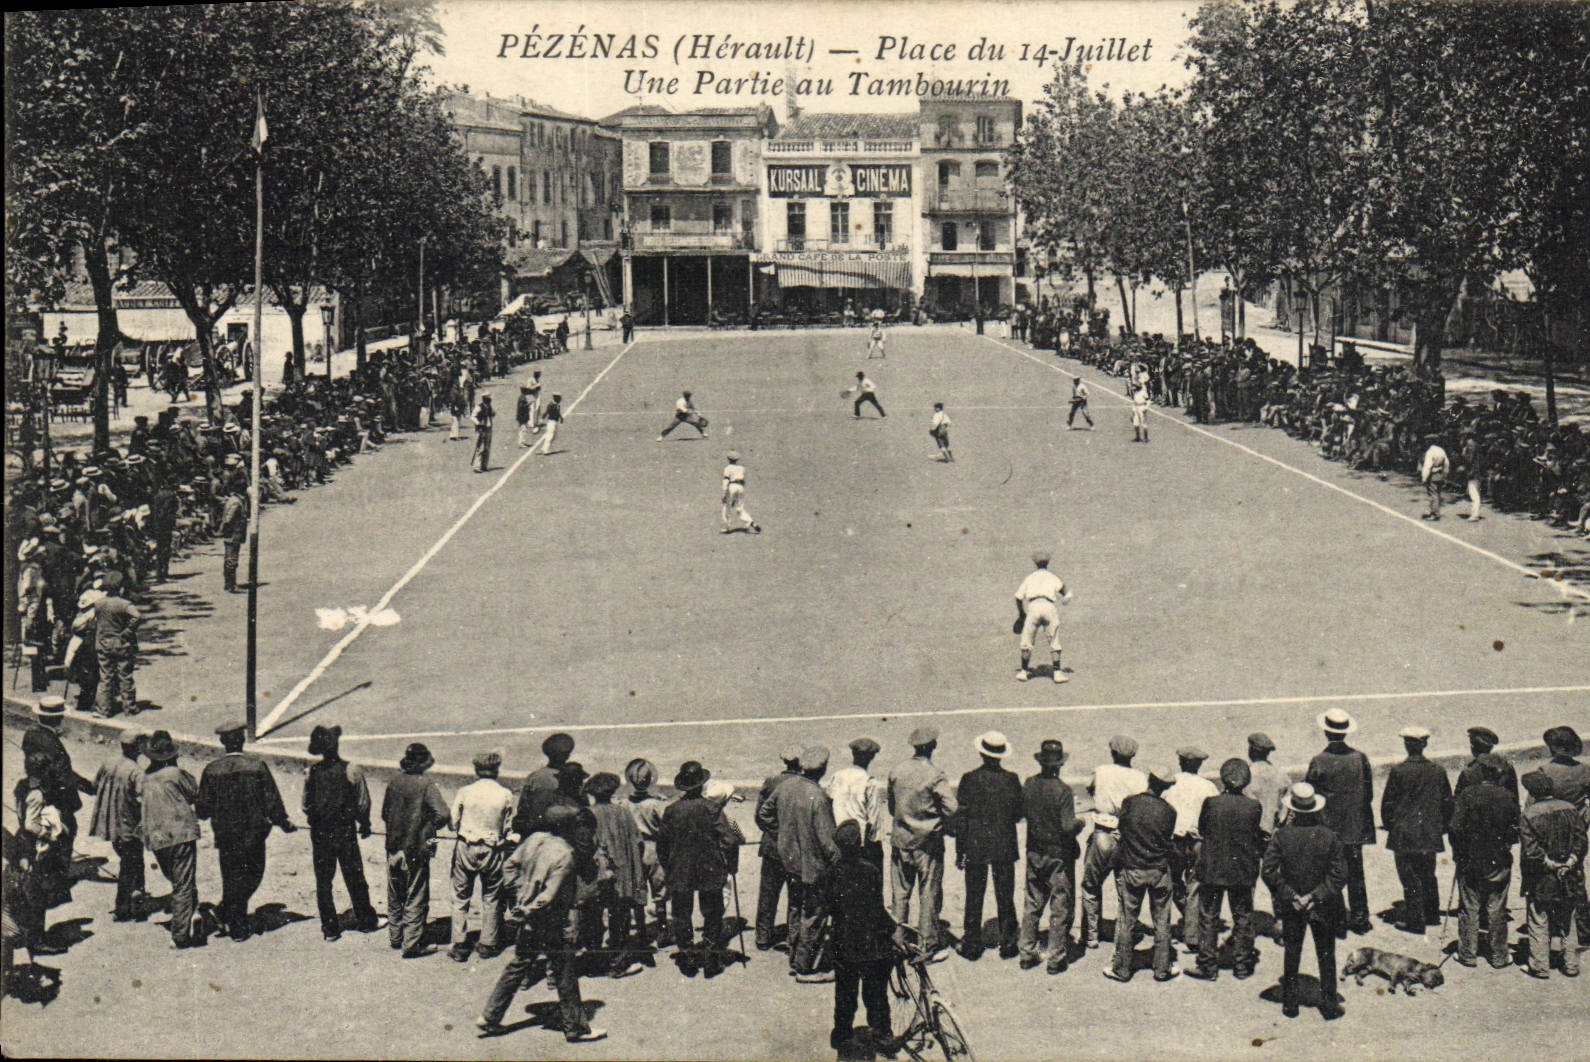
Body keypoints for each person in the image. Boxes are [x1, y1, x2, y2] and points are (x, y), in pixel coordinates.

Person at [478, 806, 607, 1042]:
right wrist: (530, 906)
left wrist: (520, 893)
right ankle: (575, 1028)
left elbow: (509, 866)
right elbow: (550, 894)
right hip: (554, 922)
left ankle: (490, 1016)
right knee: (565, 973)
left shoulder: (534, 839)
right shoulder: (565, 854)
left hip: (530, 920)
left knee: (519, 965)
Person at [196, 720, 295, 941]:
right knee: (253, 876)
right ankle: (237, 926)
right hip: (254, 834)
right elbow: (272, 801)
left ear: (223, 742)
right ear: (241, 741)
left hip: (225, 835)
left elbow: (202, 808)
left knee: (231, 877)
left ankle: (225, 914)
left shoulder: (211, 770)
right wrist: (284, 822)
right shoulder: (257, 766)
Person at [1262, 783, 1347, 1019]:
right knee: (1326, 954)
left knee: (1292, 952)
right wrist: (1316, 896)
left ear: (1293, 811)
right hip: (1323, 905)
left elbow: (1268, 871)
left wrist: (1290, 895)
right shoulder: (1329, 836)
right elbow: (1340, 874)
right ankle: (1329, 1003)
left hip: (1292, 905)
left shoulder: (1282, 836)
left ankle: (1290, 1003)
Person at [658, 761, 738, 976]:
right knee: (712, 912)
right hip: (709, 868)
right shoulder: (712, 808)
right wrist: (730, 864)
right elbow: (729, 839)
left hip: (680, 869)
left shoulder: (672, 810)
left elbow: (662, 843)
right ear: (701, 785)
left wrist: (668, 865)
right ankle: (711, 955)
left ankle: (687, 956)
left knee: (681, 913)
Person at [1188, 759, 1265, 981]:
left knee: (1208, 917)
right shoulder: (1254, 806)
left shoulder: (1211, 803)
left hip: (1213, 869)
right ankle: (1241, 966)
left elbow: (1203, 829)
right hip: (1242, 870)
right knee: (1242, 918)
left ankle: (1207, 966)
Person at [302, 725, 379, 942]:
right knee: (354, 876)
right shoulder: (351, 769)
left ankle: (329, 928)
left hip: (320, 833)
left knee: (324, 880)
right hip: (344, 832)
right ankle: (365, 920)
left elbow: (306, 805)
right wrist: (364, 823)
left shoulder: (311, 772)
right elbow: (363, 802)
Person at [1104, 764, 1179, 983]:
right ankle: (1162, 968)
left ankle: (1122, 968)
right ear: (1165, 787)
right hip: (1159, 870)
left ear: (1149, 780)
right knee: (1162, 921)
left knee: (1127, 919)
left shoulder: (1130, 803)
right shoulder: (1169, 811)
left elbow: (1123, 830)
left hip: (1133, 867)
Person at [887, 727, 956, 961]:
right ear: (933, 747)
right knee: (928, 893)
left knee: (900, 894)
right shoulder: (935, 775)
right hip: (927, 844)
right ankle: (927, 945)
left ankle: (898, 941)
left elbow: (891, 806)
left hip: (901, 840)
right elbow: (951, 808)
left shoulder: (897, 771)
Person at [955, 731, 1024, 960]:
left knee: (974, 896)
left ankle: (972, 944)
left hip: (975, 844)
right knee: (1005, 895)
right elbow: (1017, 814)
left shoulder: (969, 779)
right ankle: (1008, 943)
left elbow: (962, 818)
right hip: (1003, 844)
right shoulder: (1011, 779)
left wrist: (960, 849)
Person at [827, 820, 894, 1056]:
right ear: (859, 844)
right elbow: (878, 909)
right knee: (875, 993)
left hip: (843, 943)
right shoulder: (870, 871)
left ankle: (842, 1033)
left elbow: (828, 906)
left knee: (845, 993)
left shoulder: (833, 872)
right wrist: (893, 929)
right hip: (870, 944)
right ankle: (883, 1034)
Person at [1305, 708, 1374, 934]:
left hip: (1328, 828)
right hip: (1354, 828)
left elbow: (1310, 795)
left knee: (1331, 875)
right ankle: (1361, 919)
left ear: (1326, 732)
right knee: (1356, 875)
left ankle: (1336, 921)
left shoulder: (1319, 761)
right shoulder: (1359, 758)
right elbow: (1368, 794)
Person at [1381, 725, 1454, 934]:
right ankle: (1431, 915)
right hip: (1429, 833)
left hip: (1404, 834)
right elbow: (1447, 802)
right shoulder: (1437, 771)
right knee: (1428, 873)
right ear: (1425, 744)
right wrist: (1441, 827)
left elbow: (1388, 804)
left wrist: (1391, 826)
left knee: (1409, 877)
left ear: (1406, 745)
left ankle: (1415, 920)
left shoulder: (1398, 771)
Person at [381, 743, 451, 957]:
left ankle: (396, 936)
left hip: (393, 846)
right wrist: (428, 827)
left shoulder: (394, 781)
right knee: (416, 894)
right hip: (415, 848)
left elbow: (385, 813)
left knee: (395, 893)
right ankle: (411, 943)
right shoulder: (426, 784)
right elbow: (443, 814)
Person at [777, 746, 841, 981]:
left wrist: (784, 837)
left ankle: (793, 955)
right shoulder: (819, 798)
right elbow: (827, 841)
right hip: (813, 866)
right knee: (814, 914)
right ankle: (805, 966)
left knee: (794, 908)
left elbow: (764, 814)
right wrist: (838, 862)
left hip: (790, 861)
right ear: (823, 769)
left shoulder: (786, 787)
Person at [1018, 739, 1082, 973]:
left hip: (1034, 850)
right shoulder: (1063, 790)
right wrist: (1080, 823)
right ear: (1059, 765)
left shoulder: (1030, 784)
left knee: (1032, 902)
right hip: (1057, 855)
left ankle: (1027, 951)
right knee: (1059, 905)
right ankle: (1056, 957)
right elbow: (1067, 826)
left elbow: (1022, 812)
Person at [1449, 753, 1518, 968]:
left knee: (1469, 905)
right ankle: (1499, 956)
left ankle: (1467, 954)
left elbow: (1454, 828)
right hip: (1498, 860)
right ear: (1499, 774)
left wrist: (1458, 852)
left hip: (1470, 860)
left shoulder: (1468, 794)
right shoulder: (1508, 797)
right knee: (1497, 907)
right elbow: (1515, 831)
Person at [1081, 735, 1149, 950]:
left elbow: (1090, 790)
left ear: (1112, 753)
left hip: (1102, 833)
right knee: (1125, 889)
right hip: (1127, 836)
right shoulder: (1140, 777)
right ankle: (1125, 932)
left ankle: (1091, 934)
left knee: (1091, 885)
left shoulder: (1101, 771)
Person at [449, 751, 515, 962]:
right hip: (492, 847)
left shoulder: (465, 791)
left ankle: (459, 943)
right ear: (496, 770)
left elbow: (453, 822)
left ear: (476, 770)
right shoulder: (505, 794)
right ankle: (488, 942)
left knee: (460, 895)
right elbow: (508, 827)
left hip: (466, 845)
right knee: (492, 896)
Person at [140, 731, 203, 949]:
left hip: (157, 838)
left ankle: (188, 912)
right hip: (181, 834)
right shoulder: (175, 774)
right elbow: (194, 792)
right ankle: (181, 934)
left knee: (176, 880)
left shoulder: (146, 777)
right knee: (183, 883)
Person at [1518, 771, 1583, 979]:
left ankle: (1539, 965)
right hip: (1570, 873)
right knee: (1568, 919)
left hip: (1542, 877)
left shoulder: (1529, 814)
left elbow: (1531, 851)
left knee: (1538, 918)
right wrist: (1571, 861)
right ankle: (1571, 965)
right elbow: (1581, 839)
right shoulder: (1571, 808)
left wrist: (1551, 865)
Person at [586, 771, 646, 977]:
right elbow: (638, 843)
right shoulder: (623, 813)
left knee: (594, 916)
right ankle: (617, 963)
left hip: (597, 872)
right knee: (619, 916)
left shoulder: (588, 813)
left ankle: (594, 961)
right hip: (621, 873)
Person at [1538, 726, 1589, 948]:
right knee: (1576, 878)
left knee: (1550, 878)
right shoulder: (1585, 771)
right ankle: (1583, 931)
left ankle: (1554, 928)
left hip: (1550, 832)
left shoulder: (1544, 771)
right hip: (1577, 830)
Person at [1164, 747, 1218, 952]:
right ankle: (1192, 934)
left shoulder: (1171, 783)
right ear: (1200, 764)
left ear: (1180, 762)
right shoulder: (1209, 787)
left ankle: (1185, 921)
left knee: (1173, 882)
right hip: (1197, 841)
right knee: (1195, 886)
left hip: (1174, 840)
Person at [89, 731, 147, 921]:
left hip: (110, 825)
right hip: (129, 827)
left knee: (131, 862)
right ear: (138, 747)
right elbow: (143, 799)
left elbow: (94, 785)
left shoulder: (108, 763)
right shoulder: (136, 771)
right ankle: (124, 907)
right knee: (131, 864)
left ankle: (136, 898)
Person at [754, 746, 804, 950]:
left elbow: (759, 816)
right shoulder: (804, 785)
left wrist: (776, 832)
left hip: (772, 847)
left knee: (768, 893)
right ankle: (795, 937)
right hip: (796, 848)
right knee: (796, 896)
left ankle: (763, 937)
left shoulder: (771, 782)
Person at [624, 758, 672, 948]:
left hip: (635, 850)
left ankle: (642, 931)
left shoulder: (624, 804)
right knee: (659, 892)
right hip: (653, 848)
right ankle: (662, 931)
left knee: (638, 891)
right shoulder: (655, 804)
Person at [1012, 550, 1073, 683]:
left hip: (1033, 608)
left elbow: (1018, 597)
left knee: (1027, 640)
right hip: (1049, 607)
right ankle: (1057, 673)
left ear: (1035, 564)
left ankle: (1023, 672)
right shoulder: (1052, 577)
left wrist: (1022, 614)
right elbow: (1065, 593)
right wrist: (1066, 598)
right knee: (1054, 639)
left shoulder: (1030, 577)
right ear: (1047, 563)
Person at [826, 738, 887, 867]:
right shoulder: (870, 782)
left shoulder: (837, 776)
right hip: (859, 843)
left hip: (837, 838)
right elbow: (874, 820)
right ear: (871, 758)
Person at [92, 571, 141, 717]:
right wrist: (127, 631)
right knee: (125, 675)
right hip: (121, 644)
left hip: (103, 644)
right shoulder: (124, 604)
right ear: (121, 588)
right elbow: (137, 616)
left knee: (105, 677)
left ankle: (103, 709)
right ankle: (129, 707)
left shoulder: (98, 603)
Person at [515, 733, 575, 836]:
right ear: (568, 755)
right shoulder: (573, 777)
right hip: (563, 835)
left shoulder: (534, 777)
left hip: (534, 833)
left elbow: (522, 809)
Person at [1455, 726, 1518, 804]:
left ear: (1472, 748)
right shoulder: (1507, 768)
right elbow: (1515, 800)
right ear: (1490, 748)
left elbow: (1458, 804)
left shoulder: (1468, 773)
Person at [1246, 733, 1291, 838]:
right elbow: (1285, 814)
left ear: (1251, 751)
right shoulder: (1283, 777)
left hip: (1251, 835)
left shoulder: (1245, 776)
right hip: (1275, 835)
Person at [720, 450, 761, 534]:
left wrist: (724, 493)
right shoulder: (741, 468)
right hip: (741, 487)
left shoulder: (727, 468)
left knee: (726, 506)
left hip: (732, 486)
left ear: (728, 459)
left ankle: (727, 527)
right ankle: (750, 521)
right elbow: (743, 480)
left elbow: (726, 480)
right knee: (740, 508)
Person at [219, 478, 247, 593]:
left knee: (228, 558)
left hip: (230, 533)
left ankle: (228, 583)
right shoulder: (236, 502)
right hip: (234, 533)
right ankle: (231, 584)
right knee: (232, 559)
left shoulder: (231, 500)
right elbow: (229, 518)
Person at [1419, 435, 1449, 520]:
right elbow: (1446, 463)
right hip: (1440, 474)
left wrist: (1424, 477)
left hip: (1433, 474)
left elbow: (1427, 466)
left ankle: (1435, 513)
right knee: (1438, 494)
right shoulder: (1441, 450)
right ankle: (1435, 511)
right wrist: (1445, 474)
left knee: (1433, 495)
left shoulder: (1430, 452)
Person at [471, 394, 494, 473]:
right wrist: (478, 423)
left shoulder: (489, 407)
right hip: (481, 429)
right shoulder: (479, 407)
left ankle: (484, 465)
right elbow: (472, 417)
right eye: (488, 399)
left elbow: (492, 414)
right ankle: (477, 466)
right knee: (480, 447)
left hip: (488, 428)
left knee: (487, 448)